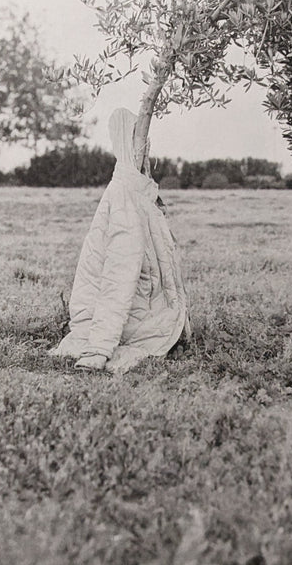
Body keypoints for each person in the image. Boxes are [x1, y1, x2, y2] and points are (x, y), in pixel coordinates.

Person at [50, 107, 189, 373]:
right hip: (113, 319)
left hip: (131, 310)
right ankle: (103, 343)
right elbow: (118, 279)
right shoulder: (125, 200)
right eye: (140, 141)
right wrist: (99, 350)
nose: (147, 149)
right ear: (129, 144)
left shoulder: (136, 193)